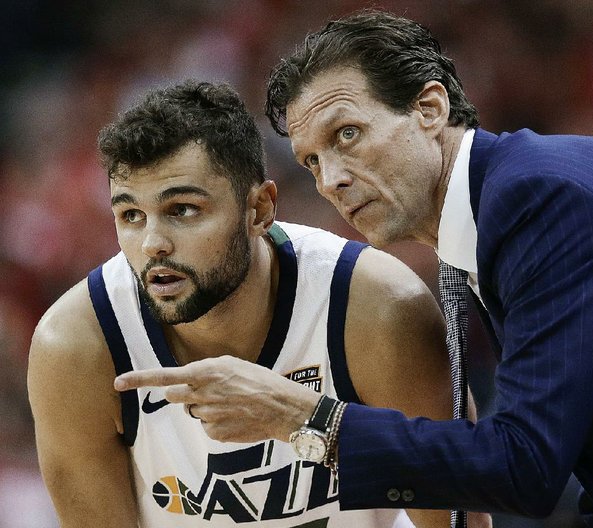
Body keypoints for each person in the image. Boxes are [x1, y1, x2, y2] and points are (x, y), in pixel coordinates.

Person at [27, 80, 466, 527]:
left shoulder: (379, 307)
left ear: (259, 209)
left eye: (183, 209)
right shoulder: (77, 346)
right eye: (131, 216)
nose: (153, 244)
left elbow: (456, 516)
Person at [259, 9, 593, 528]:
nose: (331, 181)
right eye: (312, 161)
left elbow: (525, 466)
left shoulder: (536, 202)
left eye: (346, 134)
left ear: (430, 108)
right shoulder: (500, 202)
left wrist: (306, 418)